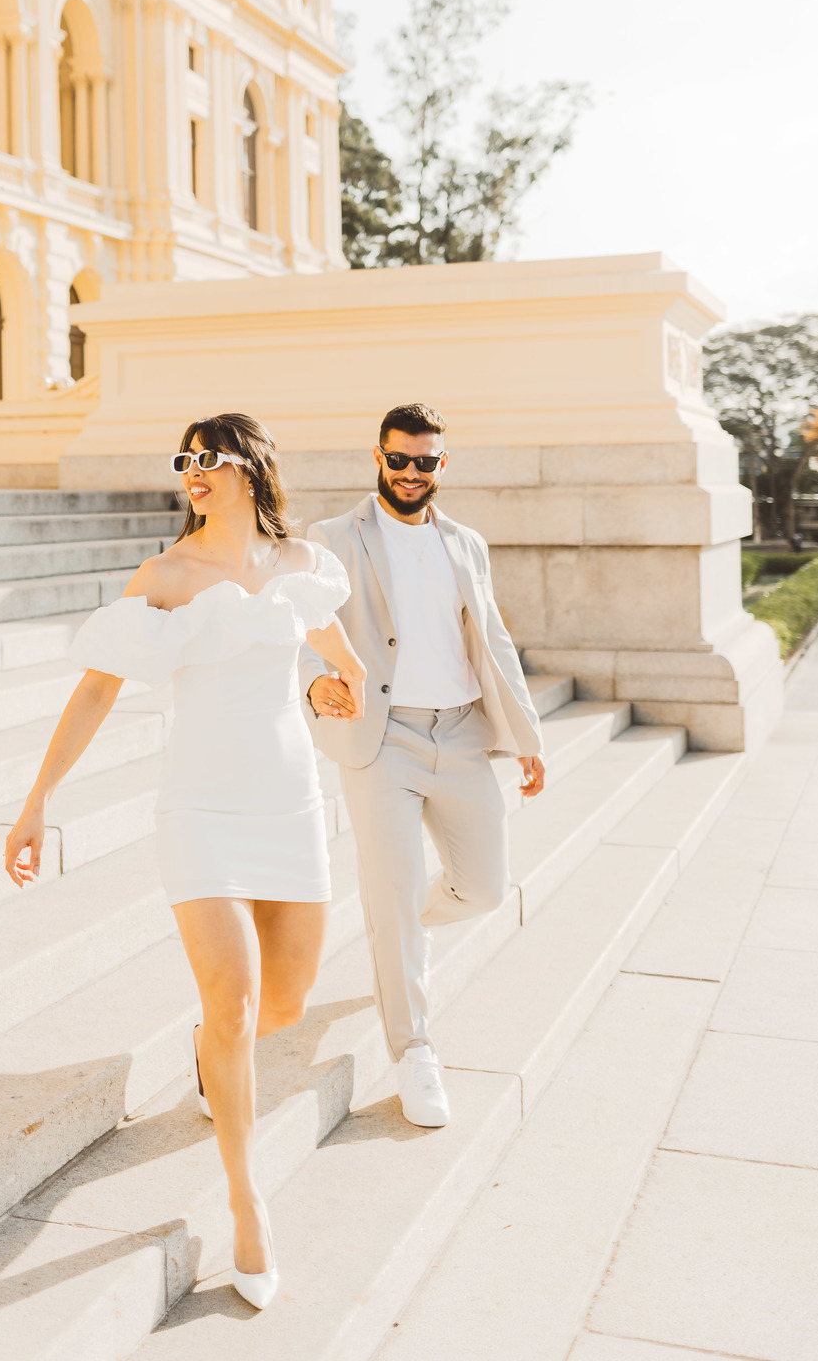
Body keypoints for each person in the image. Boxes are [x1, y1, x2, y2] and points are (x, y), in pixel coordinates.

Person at [5, 411, 364, 1311]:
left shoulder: (302, 566)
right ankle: (247, 1203)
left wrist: (336, 685)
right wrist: (38, 800)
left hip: (289, 807)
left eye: (209, 457)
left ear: (253, 467)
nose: (191, 471)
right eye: (183, 460)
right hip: (200, 811)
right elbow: (96, 690)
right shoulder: (165, 576)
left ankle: (211, 1059)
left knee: (284, 1004)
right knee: (234, 1006)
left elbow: (337, 658)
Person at [301, 402, 544, 1128]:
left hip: (463, 733)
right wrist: (313, 685)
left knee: (484, 887)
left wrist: (527, 735)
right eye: (399, 459)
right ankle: (414, 1052)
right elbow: (302, 630)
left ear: (443, 463)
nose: (411, 472)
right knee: (394, 889)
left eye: (425, 460)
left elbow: (492, 638)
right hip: (383, 739)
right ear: (378, 457)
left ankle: (402, 929)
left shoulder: (466, 543)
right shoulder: (332, 538)